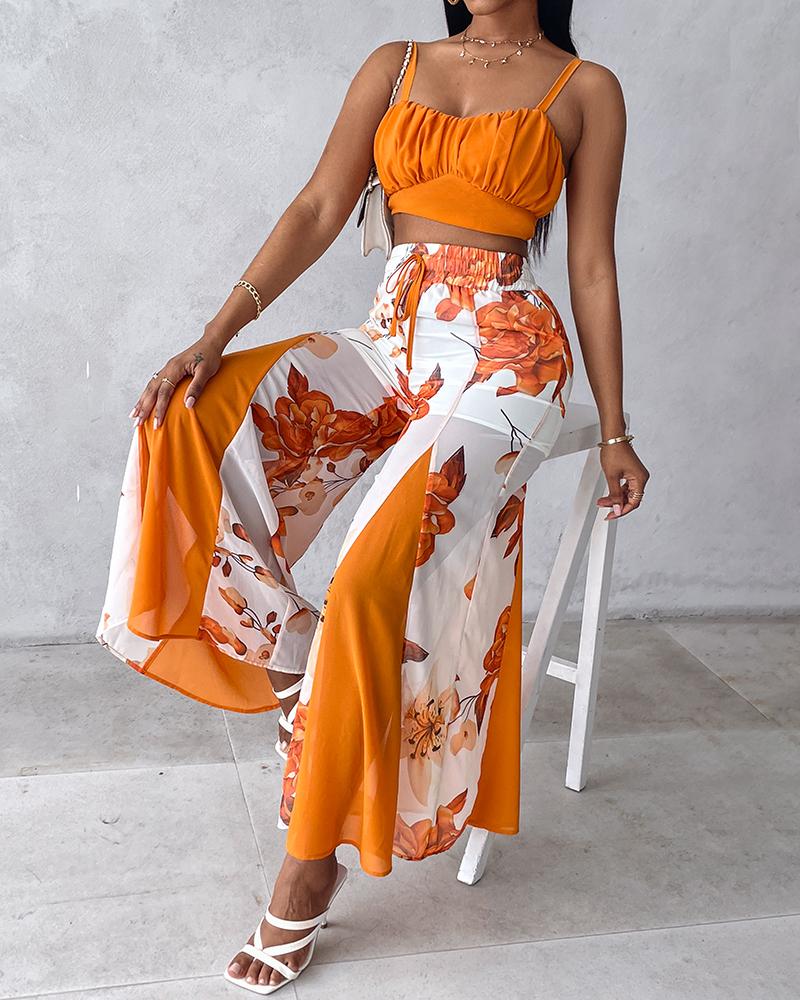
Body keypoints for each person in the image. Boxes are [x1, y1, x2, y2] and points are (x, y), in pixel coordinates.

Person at [97, 0, 649, 993]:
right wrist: (212, 337)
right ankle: (289, 649)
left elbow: (592, 265)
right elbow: (320, 207)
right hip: (390, 338)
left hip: (506, 358)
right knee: (186, 418)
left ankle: (309, 866)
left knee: (369, 580)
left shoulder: (585, 90)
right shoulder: (395, 62)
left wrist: (613, 429)